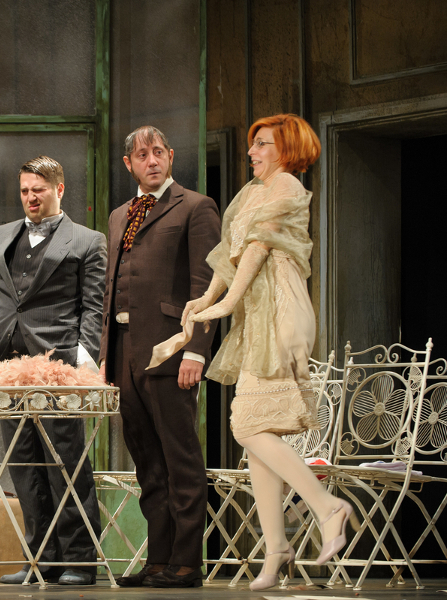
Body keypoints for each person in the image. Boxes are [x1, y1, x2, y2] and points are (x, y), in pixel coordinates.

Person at [184, 114, 358, 591]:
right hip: (256, 314)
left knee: (246, 424)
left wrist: (225, 305)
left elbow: (259, 248)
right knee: (257, 432)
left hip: (280, 309)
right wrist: (207, 297)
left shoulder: (286, 187)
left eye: (262, 144)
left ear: (286, 149)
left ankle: (327, 507)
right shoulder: (251, 192)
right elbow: (231, 253)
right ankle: (276, 547)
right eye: (252, 144)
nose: (252, 152)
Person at [0, 155, 107, 585]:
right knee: (22, 461)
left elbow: (93, 305)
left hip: (57, 363)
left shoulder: (87, 241)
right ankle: (40, 559)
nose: (30, 198)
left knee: (65, 461)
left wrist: (85, 353)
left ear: (59, 189)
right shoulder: (0, 236)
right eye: (25, 191)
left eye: (39, 190)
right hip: (8, 363)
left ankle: (80, 560)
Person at [99, 126, 221, 588]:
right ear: (128, 164)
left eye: (158, 153)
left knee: (179, 457)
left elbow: (206, 286)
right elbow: (110, 288)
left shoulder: (195, 206)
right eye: (141, 155)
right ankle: (158, 560)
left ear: (170, 156)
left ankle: (186, 562)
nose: (151, 161)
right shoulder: (119, 215)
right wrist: (106, 357)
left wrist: (196, 350)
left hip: (170, 350)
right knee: (147, 462)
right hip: (124, 351)